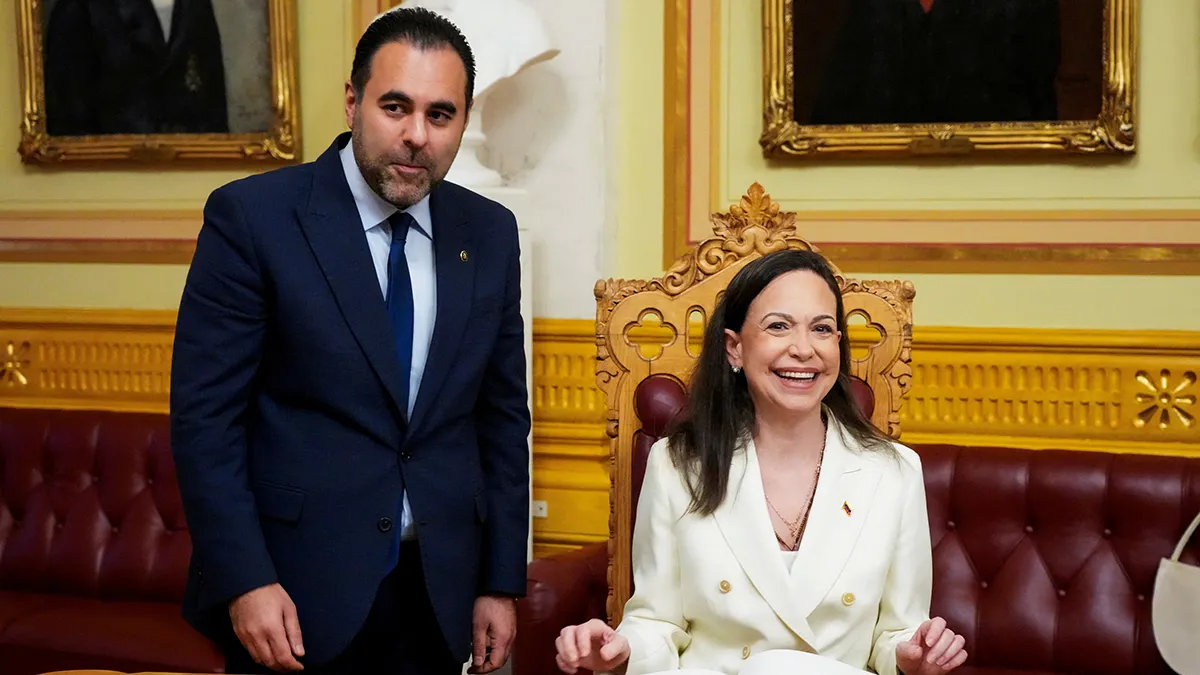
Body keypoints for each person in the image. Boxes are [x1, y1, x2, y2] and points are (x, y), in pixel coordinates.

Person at [170, 7, 530, 675]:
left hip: (437, 598)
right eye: (395, 106)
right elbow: (206, 423)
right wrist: (245, 579)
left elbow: (503, 419)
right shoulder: (253, 220)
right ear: (352, 101)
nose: (416, 135)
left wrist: (499, 579)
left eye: (440, 114)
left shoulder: (490, 234)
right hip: (293, 599)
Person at [554, 250, 968, 675]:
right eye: (778, 326)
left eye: (822, 329)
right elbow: (657, 623)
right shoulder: (678, 464)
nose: (803, 349)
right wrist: (619, 649)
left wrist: (912, 655)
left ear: (838, 348)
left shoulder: (894, 471)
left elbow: (897, 632)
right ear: (735, 348)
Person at [796, 0, 1061, 125]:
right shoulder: (874, 8)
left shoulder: (1022, 7)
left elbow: (1035, 118)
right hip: (878, 184)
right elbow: (832, 114)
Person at [43, 0, 229, 135]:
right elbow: (66, 117)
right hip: (110, 174)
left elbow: (213, 104)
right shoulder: (79, 7)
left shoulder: (196, 5)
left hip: (192, 171)